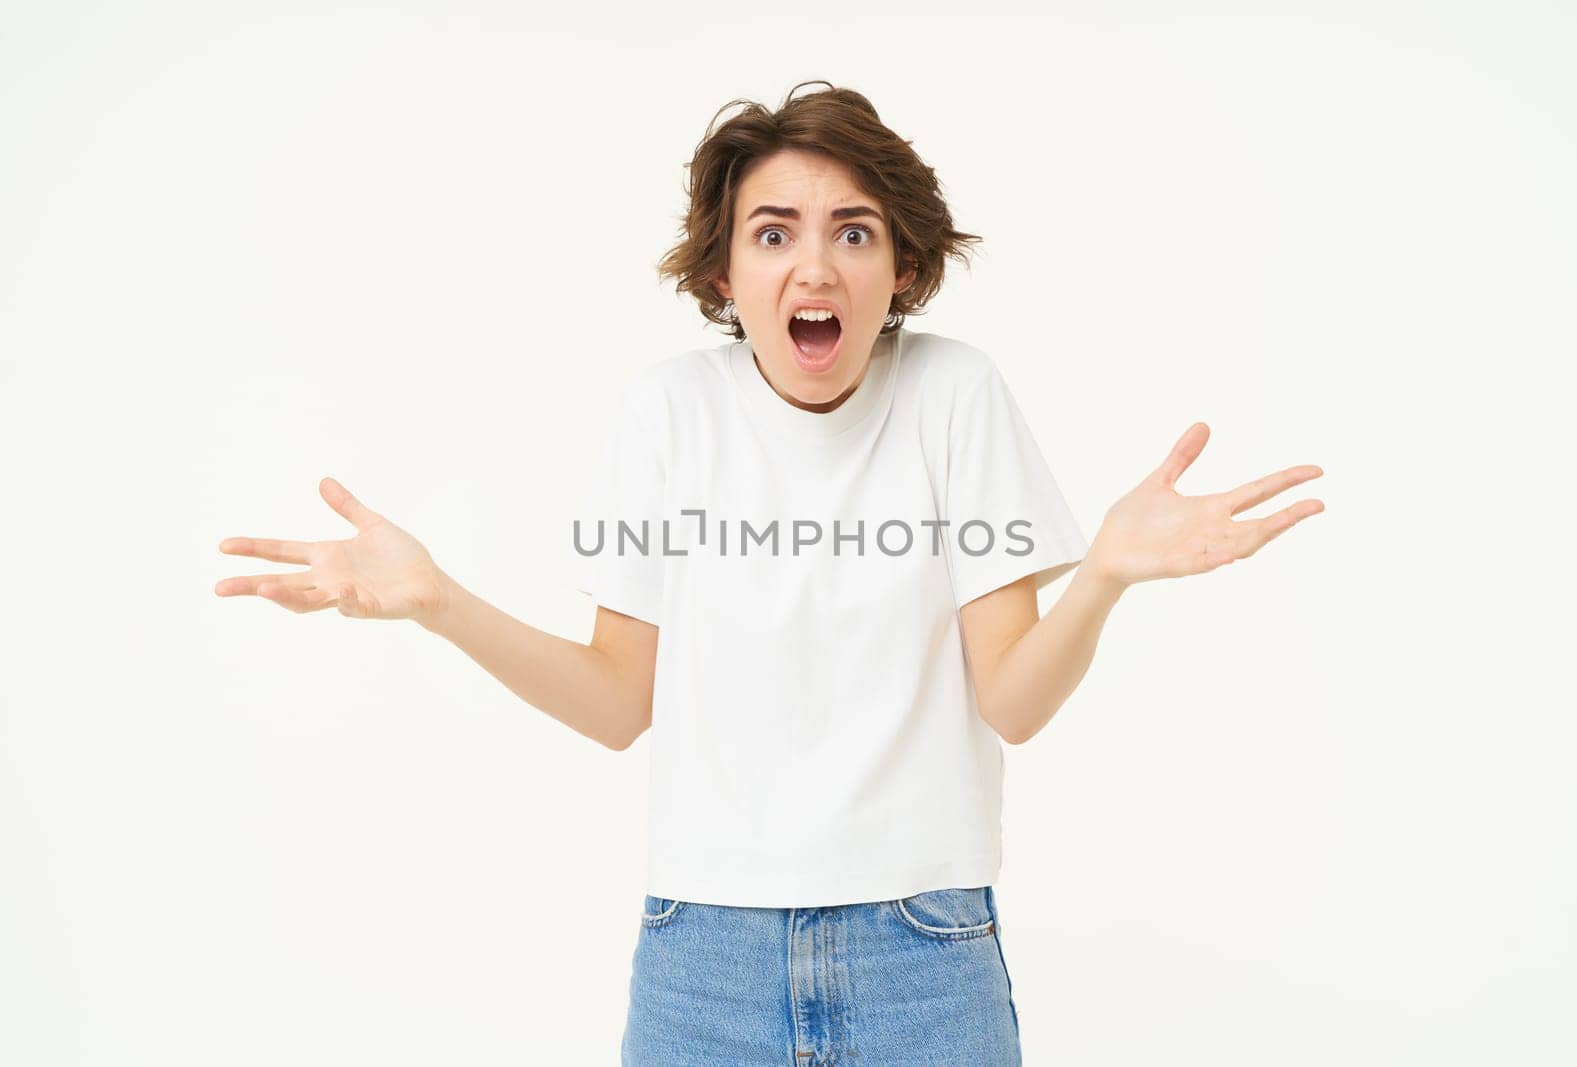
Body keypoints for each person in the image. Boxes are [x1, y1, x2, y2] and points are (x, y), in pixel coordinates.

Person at [215, 81, 1324, 1064]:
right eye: (773, 232)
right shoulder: (667, 412)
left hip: (925, 950)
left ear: (902, 266)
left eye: (853, 232)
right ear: (721, 267)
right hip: (704, 957)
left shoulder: (955, 395)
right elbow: (614, 700)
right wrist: (437, 603)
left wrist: (1103, 578)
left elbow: (1014, 702)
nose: (814, 265)